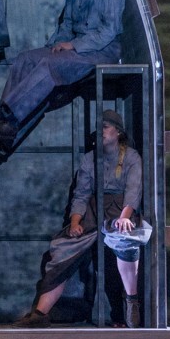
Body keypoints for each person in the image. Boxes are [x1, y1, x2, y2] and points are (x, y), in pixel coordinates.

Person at [0, 0, 125, 156]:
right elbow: (67, 24)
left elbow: (108, 32)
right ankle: (4, 126)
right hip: (77, 48)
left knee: (50, 65)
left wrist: (73, 45)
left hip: (101, 51)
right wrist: (52, 46)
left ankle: (7, 117)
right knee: (26, 59)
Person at [10, 110, 145, 328]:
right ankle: (40, 314)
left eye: (106, 127)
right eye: (99, 127)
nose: (101, 131)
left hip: (120, 212)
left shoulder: (131, 157)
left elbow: (133, 191)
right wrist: (75, 222)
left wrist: (124, 217)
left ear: (118, 132)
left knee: (124, 246)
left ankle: (130, 305)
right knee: (63, 249)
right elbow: (81, 194)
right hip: (93, 212)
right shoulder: (90, 159)